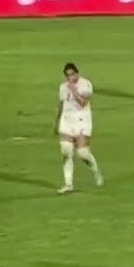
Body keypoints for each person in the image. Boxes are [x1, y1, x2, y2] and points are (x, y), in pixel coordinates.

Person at [55, 62, 102, 194]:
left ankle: (95, 170)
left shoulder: (85, 84)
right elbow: (62, 104)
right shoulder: (62, 87)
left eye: (72, 74)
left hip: (82, 120)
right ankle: (68, 184)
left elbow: (82, 103)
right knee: (66, 152)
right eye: (68, 75)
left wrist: (73, 89)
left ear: (77, 73)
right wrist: (57, 121)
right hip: (66, 120)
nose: (71, 77)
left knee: (82, 153)